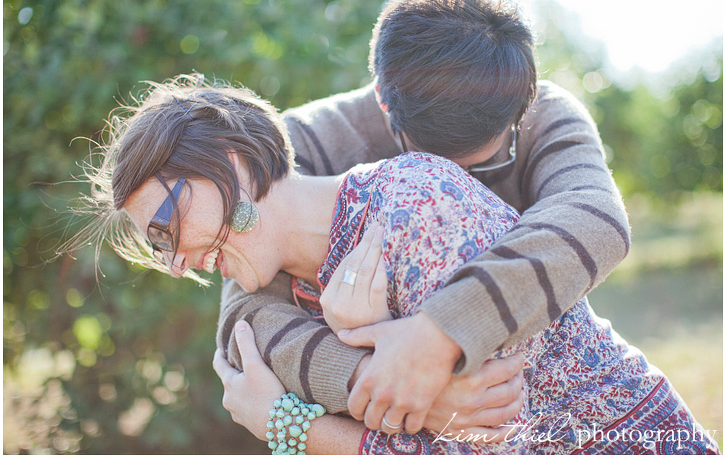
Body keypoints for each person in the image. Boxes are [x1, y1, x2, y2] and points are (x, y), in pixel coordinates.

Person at [78, 73, 718, 454]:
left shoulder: (412, 203)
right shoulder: (299, 279)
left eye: (166, 225)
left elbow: (500, 438)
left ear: (231, 159)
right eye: (153, 248)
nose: (173, 262)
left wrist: (287, 425)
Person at [215, 0, 615, 437]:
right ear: (383, 100)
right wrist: (381, 381)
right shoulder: (301, 145)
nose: (450, 189)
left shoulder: (543, 113)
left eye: (484, 165)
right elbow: (247, 314)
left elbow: (596, 219)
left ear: (520, 110)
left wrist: (437, 336)